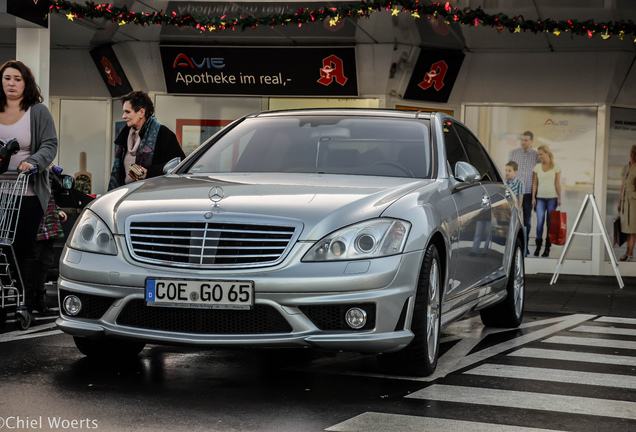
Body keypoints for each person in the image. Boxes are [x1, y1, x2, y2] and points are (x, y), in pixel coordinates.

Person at [0, 60, 57, 311]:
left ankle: (26, 302)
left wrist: (32, 162)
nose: (11, 83)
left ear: (26, 83)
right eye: (7, 78)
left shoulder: (38, 111)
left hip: (27, 192)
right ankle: (4, 300)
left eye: (17, 79)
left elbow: (49, 145)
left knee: (24, 247)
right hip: (1, 191)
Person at [108, 90, 185, 190]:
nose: (123, 116)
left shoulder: (163, 134)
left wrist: (149, 172)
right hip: (125, 194)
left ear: (141, 112)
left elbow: (179, 164)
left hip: (151, 195)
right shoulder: (124, 136)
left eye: (127, 112)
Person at [35, 164, 67, 313]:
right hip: (37, 223)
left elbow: (51, 195)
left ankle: (39, 300)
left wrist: (58, 210)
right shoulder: (35, 170)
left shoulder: (48, 172)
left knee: (46, 261)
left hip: (49, 223)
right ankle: (32, 299)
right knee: (34, 262)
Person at [509, 131, 539, 256]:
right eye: (522, 140)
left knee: (527, 221)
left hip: (528, 192)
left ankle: (525, 247)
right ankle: (512, 246)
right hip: (515, 192)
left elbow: (538, 176)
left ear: (531, 141)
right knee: (513, 219)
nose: (523, 142)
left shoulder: (536, 156)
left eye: (526, 140)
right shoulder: (514, 153)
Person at [532, 145, 562, 258]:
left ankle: (547, 248)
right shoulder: (537, 167)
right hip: (540, 198)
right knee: (540, 223)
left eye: (541, 154)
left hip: (552, 198)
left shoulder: (556, 167)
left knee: (550, 224)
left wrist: (560, 197)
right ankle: (538, 246)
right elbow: (535, 183)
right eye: (538, 154)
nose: (539, 156)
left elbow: (557, 183)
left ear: (547, 153)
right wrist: (533, 198)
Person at [617, 145, 636, 261]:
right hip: (625, 203)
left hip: (634, 202)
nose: (634, 153)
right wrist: (619, 202)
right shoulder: (625, 167)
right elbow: (622, 186)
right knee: (626, 230)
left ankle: (630, 254)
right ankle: (627, 252)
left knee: (633, 230)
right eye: (632, 151)